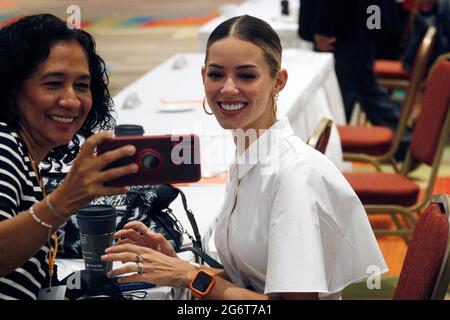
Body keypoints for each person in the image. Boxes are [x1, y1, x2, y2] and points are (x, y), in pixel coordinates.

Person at [101, 15, 388, 300]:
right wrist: (177, 264)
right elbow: (252, 280)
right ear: (203, 78)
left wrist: (189, 276)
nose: (227, 88)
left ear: (279, 82)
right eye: (216, 74)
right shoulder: (251, 153)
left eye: (246, 75)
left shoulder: (291, 175)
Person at [0, 14, 139, 300]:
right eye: (52, 84)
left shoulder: (26, 156)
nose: (71, 100)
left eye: (82, 86)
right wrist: (64, 201)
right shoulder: (4, 146)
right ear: (11, 87)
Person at [298, 0, 402, 130]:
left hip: (342, 31)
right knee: (362, 87)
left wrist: (323, 29)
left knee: (337, 98)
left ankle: (403, 136)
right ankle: (403, 136)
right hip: (358, 25)